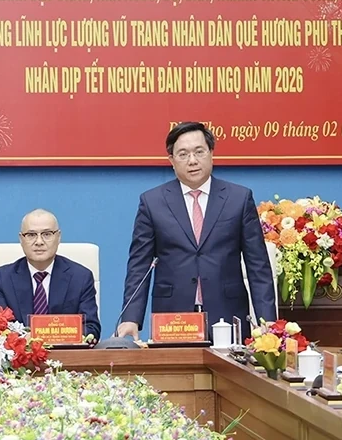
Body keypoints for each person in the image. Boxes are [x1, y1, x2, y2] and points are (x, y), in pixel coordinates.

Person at [116, 122, 275, 339]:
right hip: (173, 316)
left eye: (199, 152)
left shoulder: (238, 198)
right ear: (171, 160)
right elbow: (139, 265)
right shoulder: (152, 202)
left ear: (211, 153)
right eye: (183, 154)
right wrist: (131, 318)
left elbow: (258, 265)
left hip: (227, 313)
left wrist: (269, 321)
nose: (192, 161)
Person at [0, 210, 100, 341]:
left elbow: (91, 328)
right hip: (21, 358)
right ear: (21, 239)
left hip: (66, 357)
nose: (39, 241)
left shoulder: (80, 277)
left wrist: (46, 336)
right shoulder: (2, 278)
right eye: (31, 235)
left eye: (47, 234)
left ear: (58, 237)